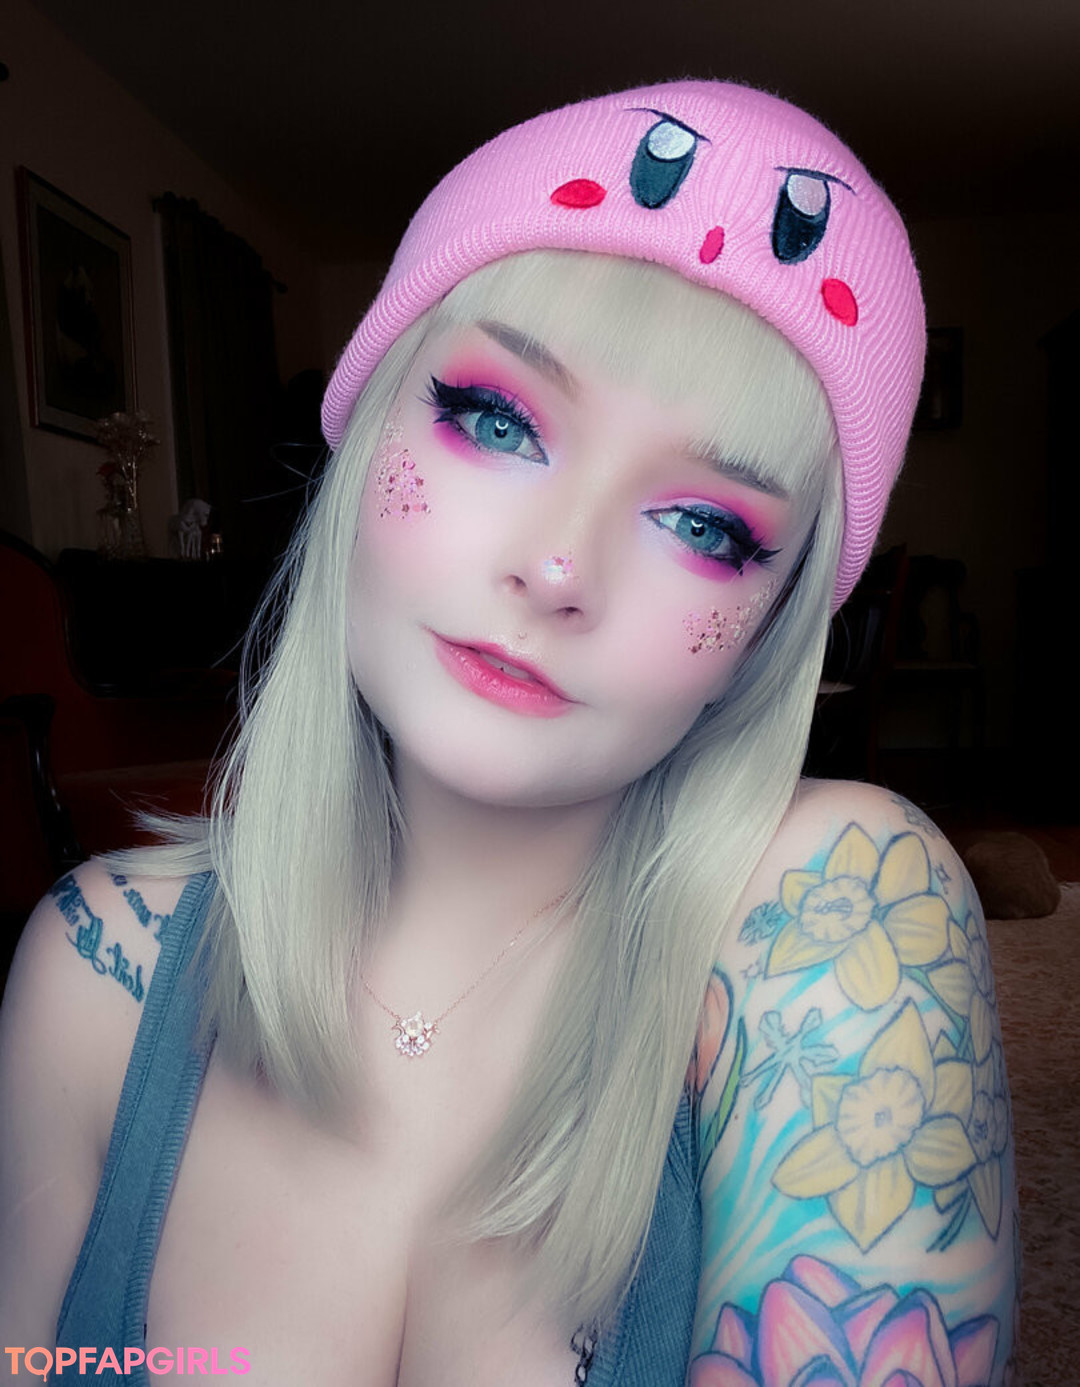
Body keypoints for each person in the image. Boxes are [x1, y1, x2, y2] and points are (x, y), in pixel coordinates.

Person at [0, 80, 1017, 1385]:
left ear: (768, 632)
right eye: (497, 420)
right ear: (364, 434)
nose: (558, 566)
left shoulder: (846, 915)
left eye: (706, 526)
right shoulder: (94, 975)